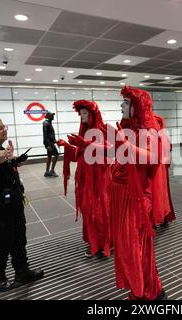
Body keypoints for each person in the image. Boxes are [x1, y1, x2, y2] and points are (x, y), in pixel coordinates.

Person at [110, 86, 168, 300]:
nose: (121, 105)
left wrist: (126, 146)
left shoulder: (147, 131)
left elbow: (153, 157)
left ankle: (148, 290)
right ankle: (139, 288)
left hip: (135, 200)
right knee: (126, 248)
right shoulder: (127, 130)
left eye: (126, 102)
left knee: (136, 247)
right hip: (121, 198)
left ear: (137, 106)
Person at [0, 118, 44, 292]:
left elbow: (1, 165)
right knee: (3, 240)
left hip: (11, 200)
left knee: (19, 237)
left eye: (4, 127)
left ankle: (22, 271)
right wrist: (6, 154)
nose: (4, 130)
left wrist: (14, 161)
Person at [57, 100, 112, 258]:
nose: (82, 117)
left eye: (85, 113)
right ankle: (94, 242)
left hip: (100, 180)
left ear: (93, 114)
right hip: (86, 180)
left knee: (101, 210)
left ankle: (104, 243)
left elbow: (110, 151)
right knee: (89, 210)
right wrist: (69, 147)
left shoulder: (103, 130)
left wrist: (87, 145)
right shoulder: (84, 132)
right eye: (80, 114)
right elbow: (79, 157)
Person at [43, 111, 59, 177]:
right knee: (56, 154)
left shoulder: (48, 123)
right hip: (49, 143)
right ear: (49, 116)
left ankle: (47, 172)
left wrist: (55, 141)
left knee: (49, 156)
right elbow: (45, 135)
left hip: (50, 142)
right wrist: (48, 145)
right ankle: (51, 170)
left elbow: (50, 135)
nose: (53, 116)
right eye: (52, 115)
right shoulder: (46, 123)